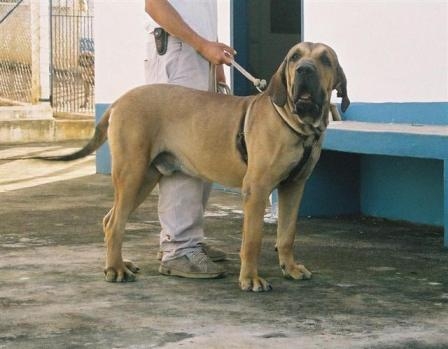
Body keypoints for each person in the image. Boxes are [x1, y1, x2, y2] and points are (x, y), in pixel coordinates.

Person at [144, 0, 235, 279]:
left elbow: (201, 15)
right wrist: (202, 45)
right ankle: (178, 249)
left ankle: (188, 240)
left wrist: (216, 67)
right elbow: (154, 5)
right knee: (181, 152)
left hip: (197, 53)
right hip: (179, 50)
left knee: (202, 151)